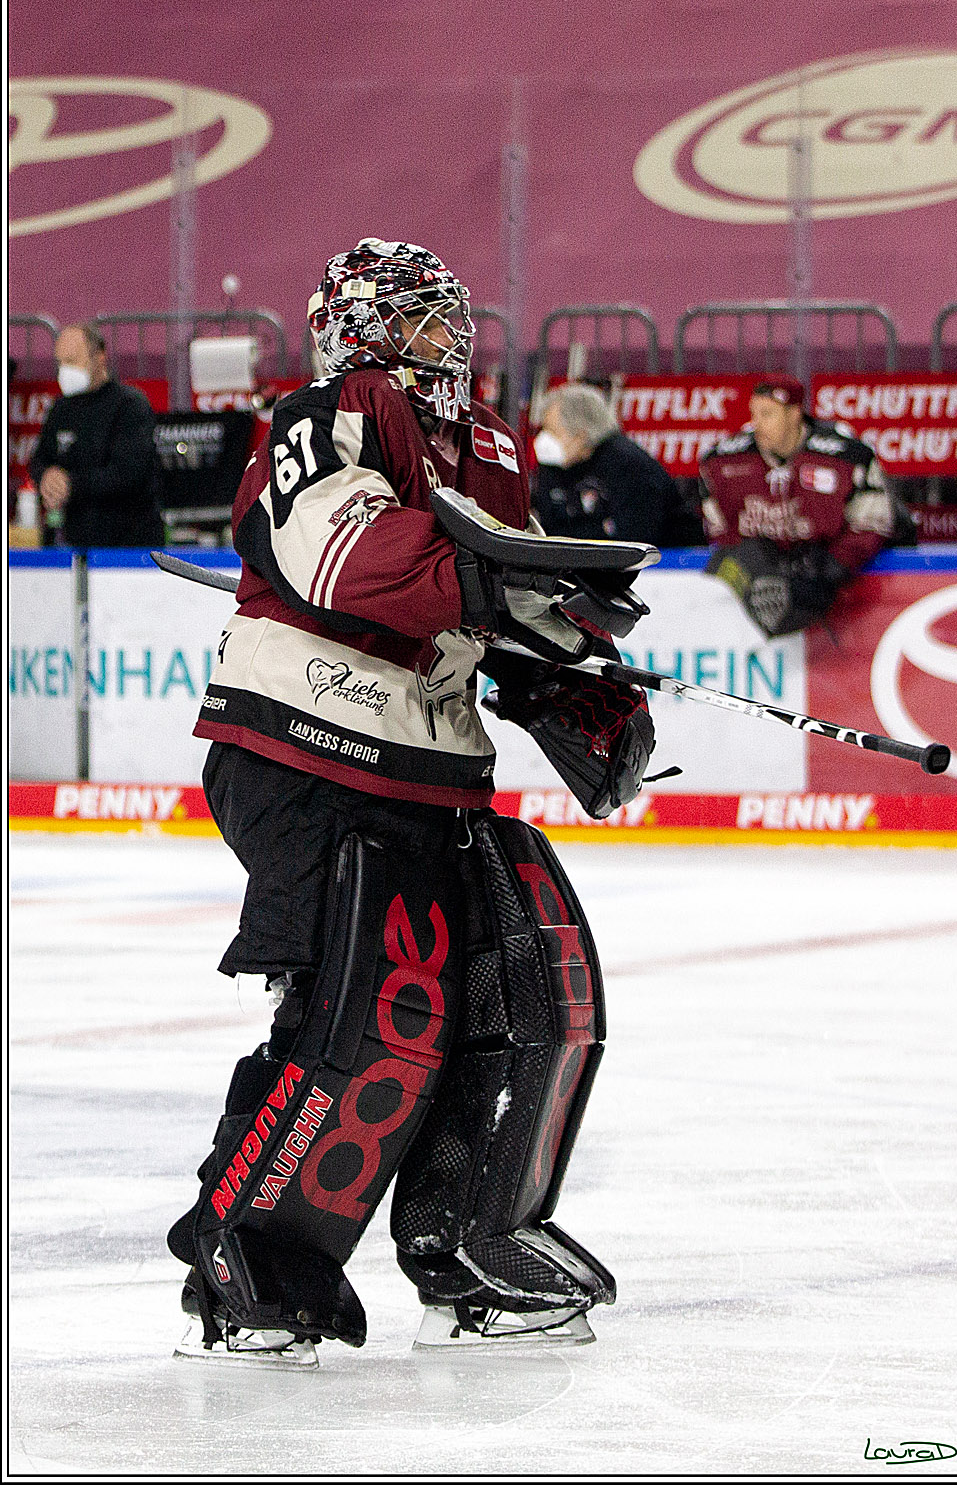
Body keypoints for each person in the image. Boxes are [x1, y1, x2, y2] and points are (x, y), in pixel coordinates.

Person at [166, 238, 657, 1364]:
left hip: (431, 765)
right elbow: (348, 560)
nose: (449, 339)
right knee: (364, 1015)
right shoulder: (329, 413)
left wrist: (566, 673)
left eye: (450, 317)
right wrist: (495, 582)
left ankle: (472, 1244)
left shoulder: (484, 441)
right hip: (304, 748)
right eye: (421, 318)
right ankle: (249, 1269)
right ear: (362, 330)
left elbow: (501, 599)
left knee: (527, 993)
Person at [698, 375, 912, 638]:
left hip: (835, 594)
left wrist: (831, 567)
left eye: (768, 414)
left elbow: (873, 523)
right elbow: (720, 533)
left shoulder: (847, 458)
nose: (757, 424)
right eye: (754, 414)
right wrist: (755, 566)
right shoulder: (721, 461)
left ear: (794, 413)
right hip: (756, 595)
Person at [29, 322, 163, 547]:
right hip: (76, 539)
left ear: (99, 357)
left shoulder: (130, 405)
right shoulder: (61, 408)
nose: (65, 370)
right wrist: (47, 476)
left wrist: (71, 484)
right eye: (60, 362)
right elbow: (40, 459)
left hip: (128, 541)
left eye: (72, 360)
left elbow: (128, 474)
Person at [533, 382, 701, 545]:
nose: (543, 439)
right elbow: (549, 527)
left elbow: (634, 538)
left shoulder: (631, 466)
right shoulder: (554, 466)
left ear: (580, 434)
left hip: (667, 559)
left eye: (551, 431)